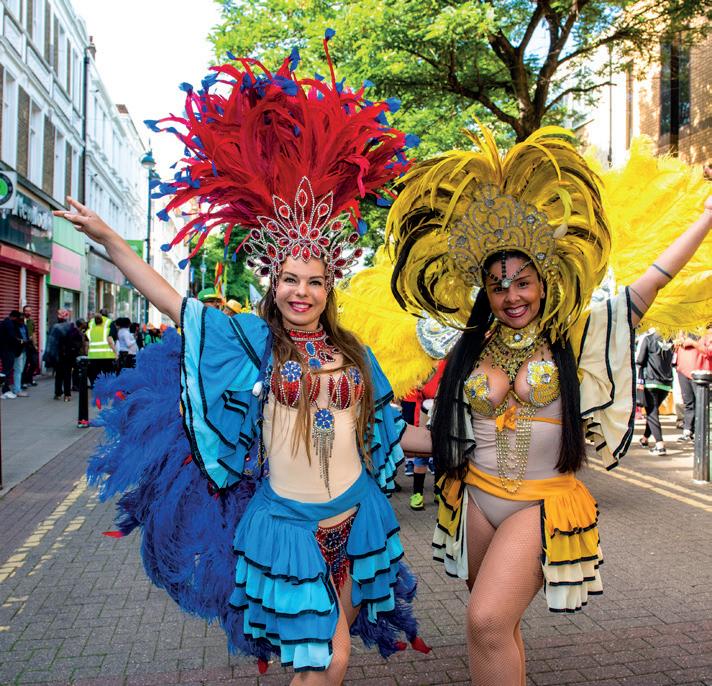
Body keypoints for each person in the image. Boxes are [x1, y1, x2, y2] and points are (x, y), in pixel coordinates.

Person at [55, 38, 431, 682]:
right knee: (327, 657)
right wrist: (111, 238)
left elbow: (387, 433)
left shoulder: (354, 353)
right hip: (286, 526)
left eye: (313, 282)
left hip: (357, 517)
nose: (301, 292)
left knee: (325, 658)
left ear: (329, 288)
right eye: (290, 280)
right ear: (272, 284)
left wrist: (464, 442)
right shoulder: (250, 340)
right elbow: (173, 302)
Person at [387, 122, 712, 685]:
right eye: (498, 286)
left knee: (487, 620)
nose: (512, 296)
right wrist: (366, 429)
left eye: (523, 282)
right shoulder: (470, 348)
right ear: (485, 292)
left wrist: (707, 216)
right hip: (474, 497)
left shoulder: (575, 336)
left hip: (539, 505)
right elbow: (444, 437)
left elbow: (650, 284)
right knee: (496, 628)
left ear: (544, 281)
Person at [637, 329, 674, 454]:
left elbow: (640, 360)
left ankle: (660, 445)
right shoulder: (670, 339)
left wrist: (638, 380)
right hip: (666, 383)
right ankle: (645, 438)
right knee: (653, 412)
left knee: (652, 413)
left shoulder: (648, 338)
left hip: (651, 381)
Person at [674, 326, 712, 441]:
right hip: (683, 371)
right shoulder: (684, 329)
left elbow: (709, 351)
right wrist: (678, 342)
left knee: (701, 403)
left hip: (700, 373)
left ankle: (700, 432)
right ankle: (688, 430)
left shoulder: (708, 332)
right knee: (688, 403)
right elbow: (675, 348)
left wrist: (693, 343)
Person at [87, 312, 116, 387]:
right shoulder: (107, 327)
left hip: (93, 356)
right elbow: (111, 341)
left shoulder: (90, 327)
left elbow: (87, 342)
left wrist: (87, 353)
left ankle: (97, 388)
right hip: (107, 355)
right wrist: (115, 353)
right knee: (107, 373)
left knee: (95, 374)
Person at [1, 310, 25, 398]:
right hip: (8, 351)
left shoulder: (5, 323)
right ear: (14, 317)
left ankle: (6, 390)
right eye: (18, 318)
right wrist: (21, 341)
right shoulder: (9, 324)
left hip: (6, 350)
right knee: (6, 370)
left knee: (7, 370)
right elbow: (12, 338)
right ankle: (5, 391)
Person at [21, 305, 39, 387]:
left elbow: (34, 333)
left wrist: (35, 345)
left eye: (29, 311)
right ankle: (23, 382)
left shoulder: (31, 321)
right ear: (23, 311)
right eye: (26, 311)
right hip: (24, 345)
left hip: (31, 345)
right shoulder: (21, 321)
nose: (28, 312)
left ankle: (29, 379)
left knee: (34, 363)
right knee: (25, 364)